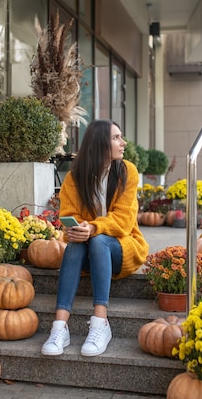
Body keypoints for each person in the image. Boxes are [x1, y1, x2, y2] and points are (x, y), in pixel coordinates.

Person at [41, 119, 149, 357]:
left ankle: (101, 323)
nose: (123, 143)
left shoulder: (127, 172)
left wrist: (92, 228)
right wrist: (76, 229)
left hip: (121, 247)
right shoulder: (74, 178)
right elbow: (69, 215)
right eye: (116, 138)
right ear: (101, 144)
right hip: (88, 251)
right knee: (75, 246)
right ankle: (60, 327)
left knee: (98, 240)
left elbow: (123, 221)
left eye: (121, 137)